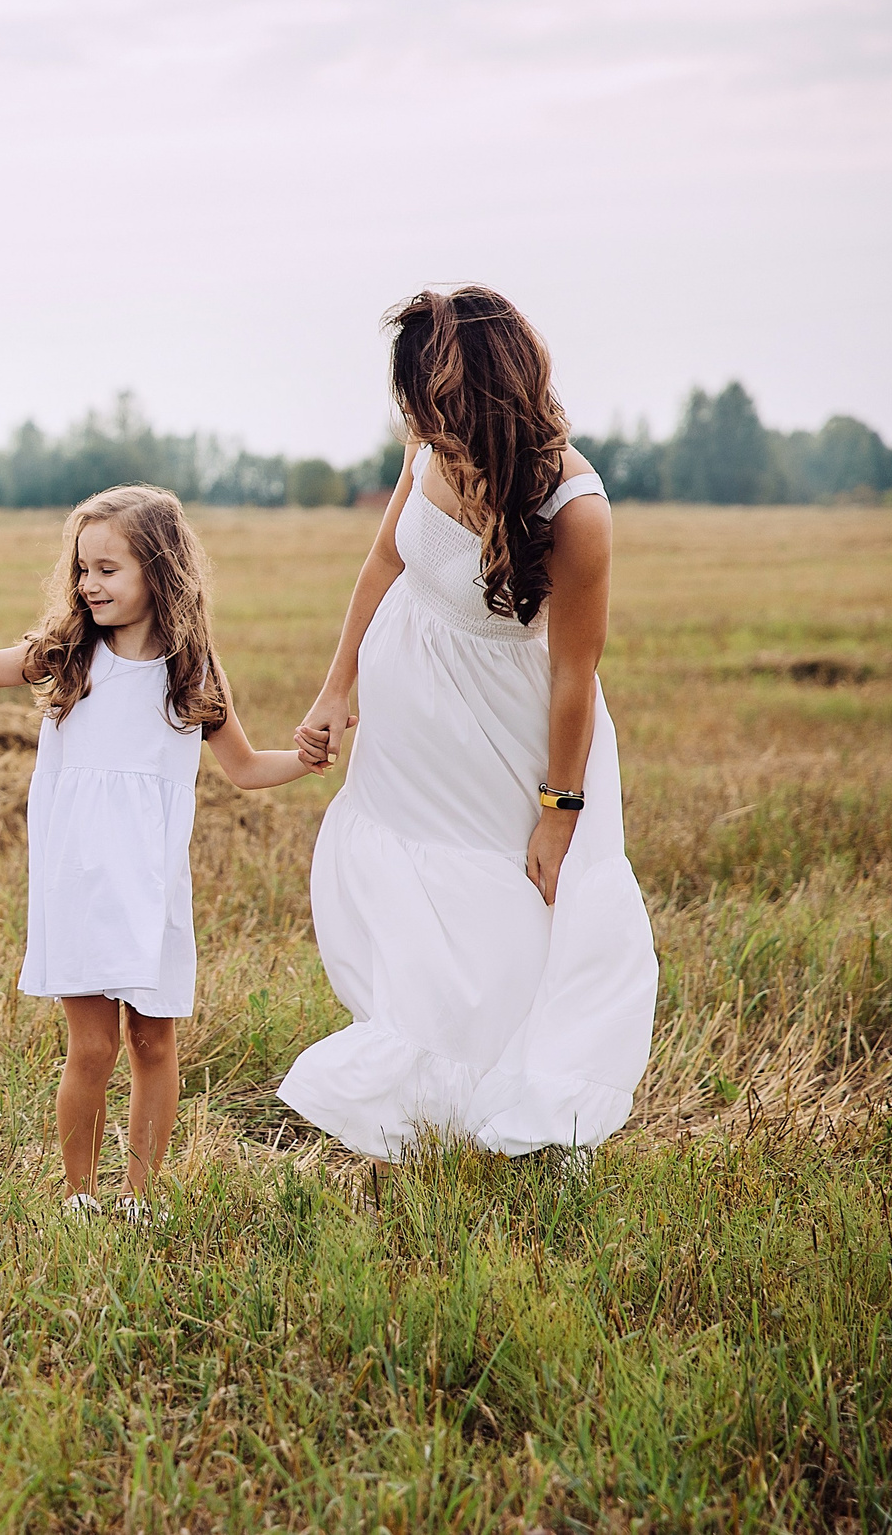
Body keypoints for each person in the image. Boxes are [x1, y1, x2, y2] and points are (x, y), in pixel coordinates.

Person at [279, 287, 657, 1163]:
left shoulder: (576, 509)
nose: (417, 422)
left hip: (512, 733)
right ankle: (440, 1105)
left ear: (481, 390)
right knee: (422, 906)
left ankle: (548, 1118)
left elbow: (573, 674)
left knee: (524, 911)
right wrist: (336, 689)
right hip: (414, 735)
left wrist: (560, 808)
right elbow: (383, 562)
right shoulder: (426, 447)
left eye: (431, 403)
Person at [0, 488, 315, 1219]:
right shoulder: (69, 654)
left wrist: (308, 758)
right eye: (82, 569)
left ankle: (140, 1197)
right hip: (80, 880)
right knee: (91, 1047)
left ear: (159, 572)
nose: (88, 584)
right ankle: (80, 1196)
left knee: (153, 1042)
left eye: (107, 569)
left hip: (152, 883)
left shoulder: (192, 673)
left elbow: (247, 768)